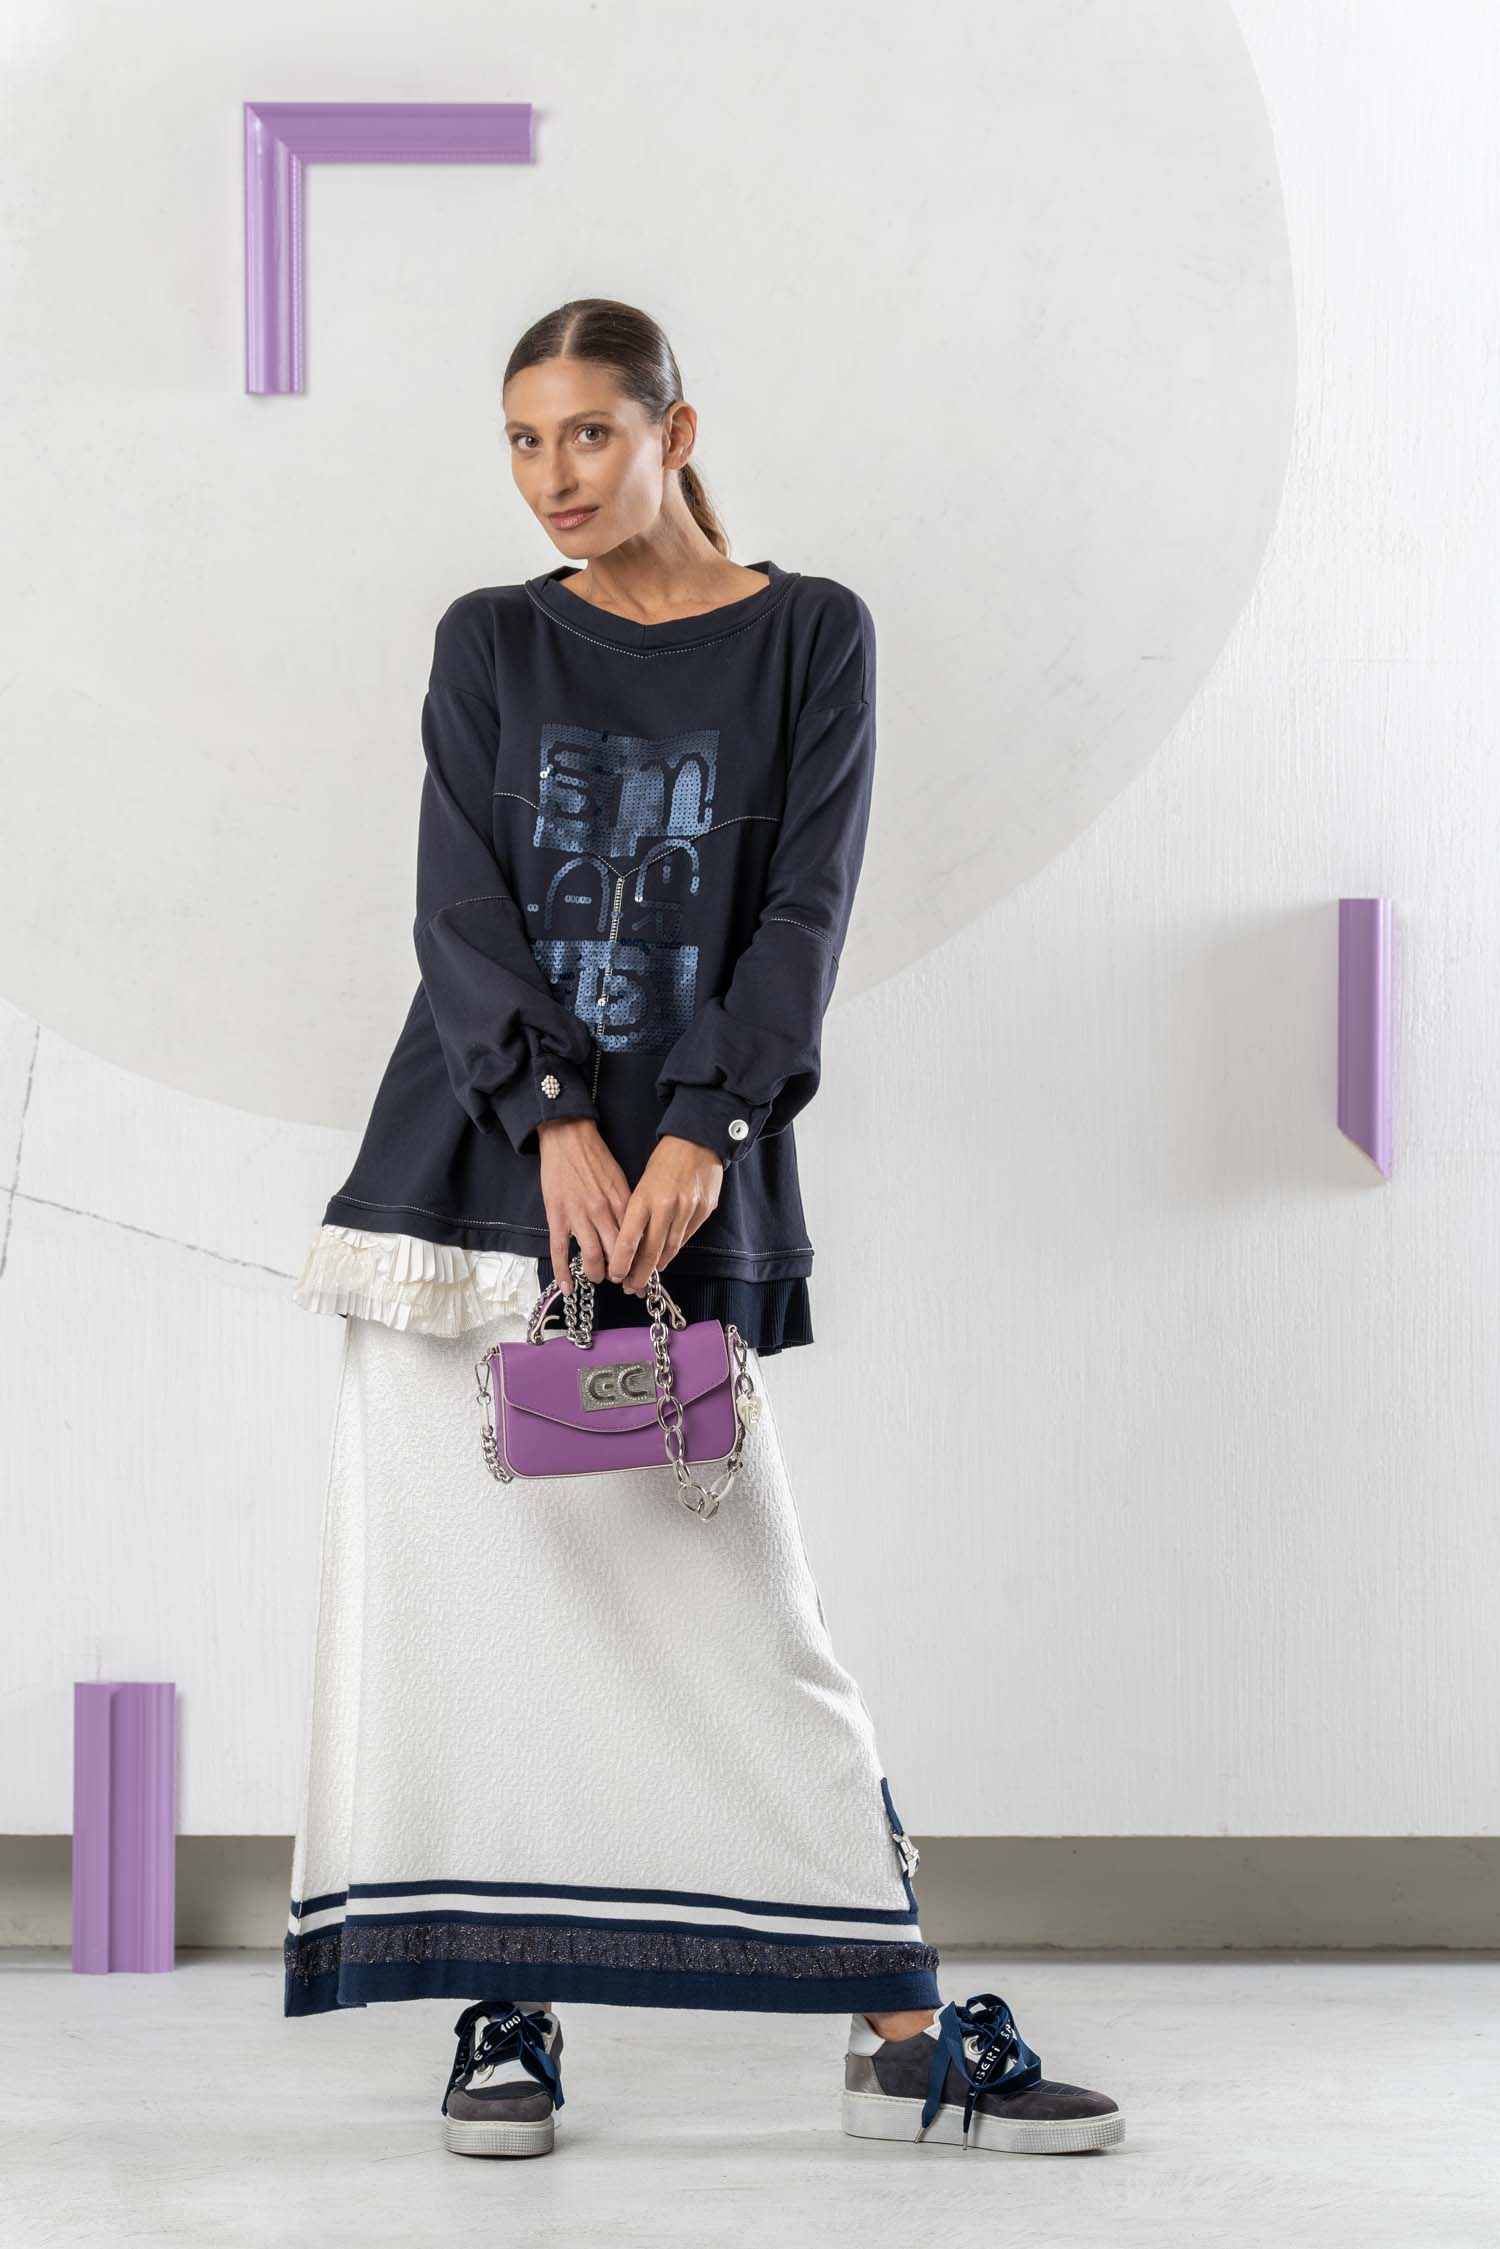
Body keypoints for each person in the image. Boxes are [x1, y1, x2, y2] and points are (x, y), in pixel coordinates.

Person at [282, 297, 1124, 2160]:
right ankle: (508, 2010)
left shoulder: (811, 634)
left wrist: (705, 1127)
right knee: (479, 1615)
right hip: (467, 1182)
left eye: (588, 432)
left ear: (675, 431)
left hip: (673, 1197)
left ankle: (896, 2020)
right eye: (523, 441)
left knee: (749, 1611)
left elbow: (804, 909)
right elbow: (459, 908)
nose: (552, 477)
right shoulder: (491, 639)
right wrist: (556, 1116)